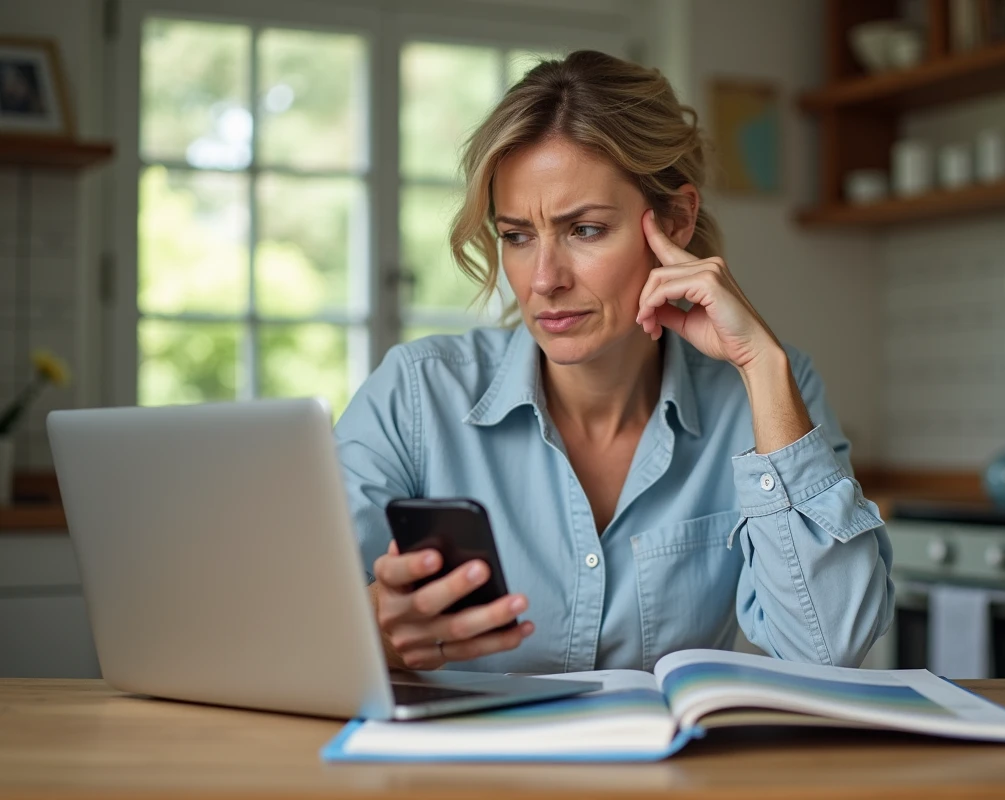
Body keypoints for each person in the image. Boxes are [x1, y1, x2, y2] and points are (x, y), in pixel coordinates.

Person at [335, 50, 894, 675]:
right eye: (517, 236)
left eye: (585, 230)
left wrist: (761, 364)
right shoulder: (416, 394)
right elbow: (293, 618)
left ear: (676, 221)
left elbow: (829, 649)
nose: (543, 279)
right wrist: (374, 631)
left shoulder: (768, 395)